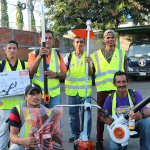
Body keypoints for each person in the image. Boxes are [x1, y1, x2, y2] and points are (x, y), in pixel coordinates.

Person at [91, 30, 127, 150]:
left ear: (115, 39)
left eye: (112, 37)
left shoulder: (122, 54)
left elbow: (125, 72)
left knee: (120, 114)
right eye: (108, 37)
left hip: (118, 90)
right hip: (102, 90)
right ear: (104, 39)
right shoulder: (95, 55)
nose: (110, 39)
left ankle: (120, 136)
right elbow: (91, 72)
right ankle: (99, 139)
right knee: (101, 116)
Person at [100, 71, 150, 150]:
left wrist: (142, 115)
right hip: (119, 130)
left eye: (124, 82)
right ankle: (122, 145)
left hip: (133, 126)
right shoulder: (110, 98)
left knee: (146, 121)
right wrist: (106, 119)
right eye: (118, 82)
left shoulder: (135, 94)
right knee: (113, 147)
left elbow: (147, 112)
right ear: (114, 84)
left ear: (128, 82)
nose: (121, 84)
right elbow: (101, 117)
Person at [64, 36, 93, 142]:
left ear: (85, 44)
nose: (79, 44)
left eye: (81, 42)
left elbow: (90, 73)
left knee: (87, 115)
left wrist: (88, 63)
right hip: (71, 91)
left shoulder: (88, 56)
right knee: (73, 115)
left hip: (85, 91)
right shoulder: (68, 57)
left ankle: (86, 136)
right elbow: (63, 72)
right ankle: (76, 135)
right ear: (74, 44)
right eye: (77, 42)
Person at [0, 40, 28, 150]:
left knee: (22, 130)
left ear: (17, 50)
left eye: (14, 48)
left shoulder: (24, 64)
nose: (11, 50)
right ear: (5, 50)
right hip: (5, 105)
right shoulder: (1, 65)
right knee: (3, 131)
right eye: (9, 48)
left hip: (21, 105)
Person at [28, 30, 67, 108]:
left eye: (50, 38)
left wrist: (56, 74)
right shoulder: (33, 55)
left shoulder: (58, 55)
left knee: (55, 119)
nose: (48, 40)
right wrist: (39, 57)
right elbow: (30, 72)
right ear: (40, 41)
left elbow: (64, 74)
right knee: (39, 119)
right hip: (38, 95)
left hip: (55, 95)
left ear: (53, 40)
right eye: (45, 38)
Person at [8, 83, 45, 149]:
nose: (35, 97)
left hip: (40, 145)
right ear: (25, 96)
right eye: (32, 94)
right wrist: (23, 141)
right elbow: (12, 135)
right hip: (21, 144)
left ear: (42, 95)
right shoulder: (17, 110)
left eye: (38, 93)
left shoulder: (46, 111)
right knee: (14, 148)